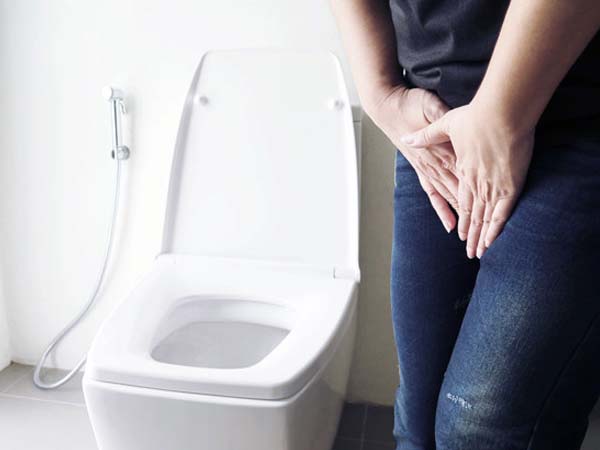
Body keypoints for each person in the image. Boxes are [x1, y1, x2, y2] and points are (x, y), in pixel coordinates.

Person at [330, 1, 600, 449]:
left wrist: (502, 115)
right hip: (438, 134)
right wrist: (380, 95)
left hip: (580, 122)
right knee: (417, 423)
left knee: (477, 433)